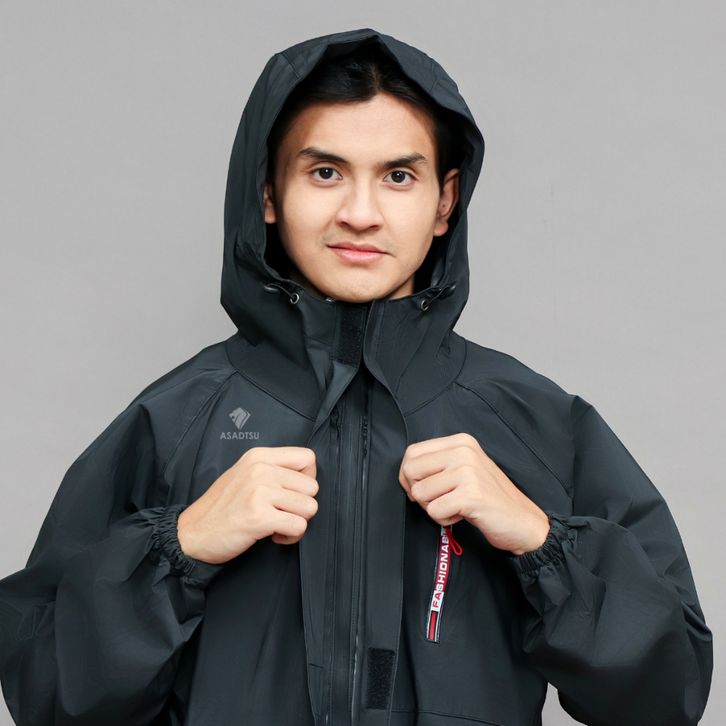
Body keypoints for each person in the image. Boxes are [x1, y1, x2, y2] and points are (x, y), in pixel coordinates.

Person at [0, 26, 713, 726]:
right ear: (269, 193)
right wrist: (179, 548)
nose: (361, 214)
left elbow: (665, 697)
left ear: (444, 201)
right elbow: (47, 696)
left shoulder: (533, 424)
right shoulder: (175, 420)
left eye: (398, 177)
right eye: (325, 173)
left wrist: (539, 540)